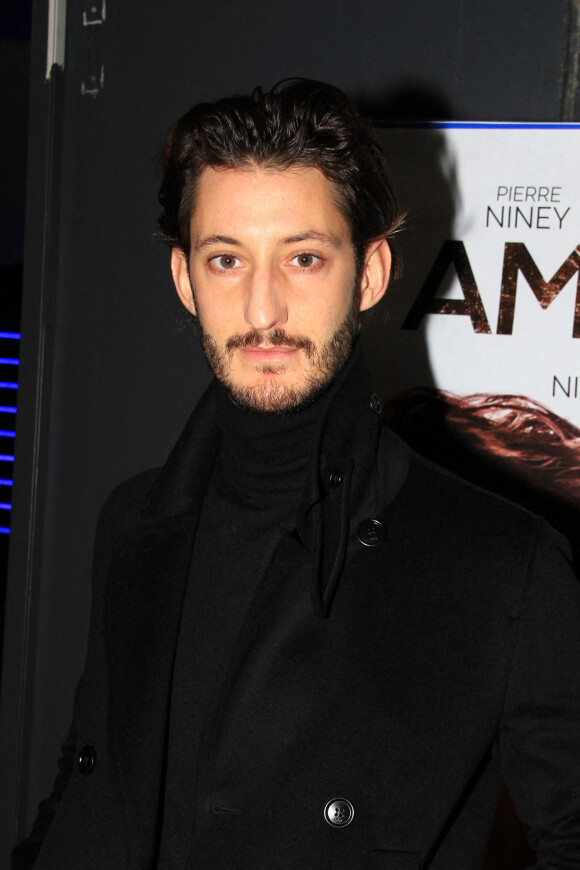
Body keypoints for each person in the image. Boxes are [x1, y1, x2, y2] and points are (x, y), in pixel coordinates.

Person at [13, 79, 580, 870]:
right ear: (185, 280)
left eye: (304, 257)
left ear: (371, 272)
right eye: (226, 259)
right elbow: (85, 787)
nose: (263, 308)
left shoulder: (502, 567)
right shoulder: (133, 524)